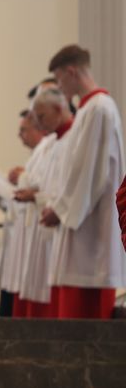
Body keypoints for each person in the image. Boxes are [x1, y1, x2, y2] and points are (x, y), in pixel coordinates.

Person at [41, 44, 126, 318]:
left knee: (87, 328)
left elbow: (90, 173)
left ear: (71, 71)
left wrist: (60, 210)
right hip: (80, 225)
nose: (60, 86)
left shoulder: (99, 109)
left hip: (92, 237)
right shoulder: (88, 110)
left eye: (59, 79)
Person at [10, 85, 73, 317]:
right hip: (42, 222)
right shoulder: (52, 144)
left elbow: (61, 188)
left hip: (54, 223)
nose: (39, 122)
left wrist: (34, 194)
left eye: (40, 116)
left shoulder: (64, 140)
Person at [0, 110, 46, 316]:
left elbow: (47, 187)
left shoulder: (47, 148)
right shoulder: (38, 154)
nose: (20, 136)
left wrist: (23, 178)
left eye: (23, 130)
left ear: (38, 129)